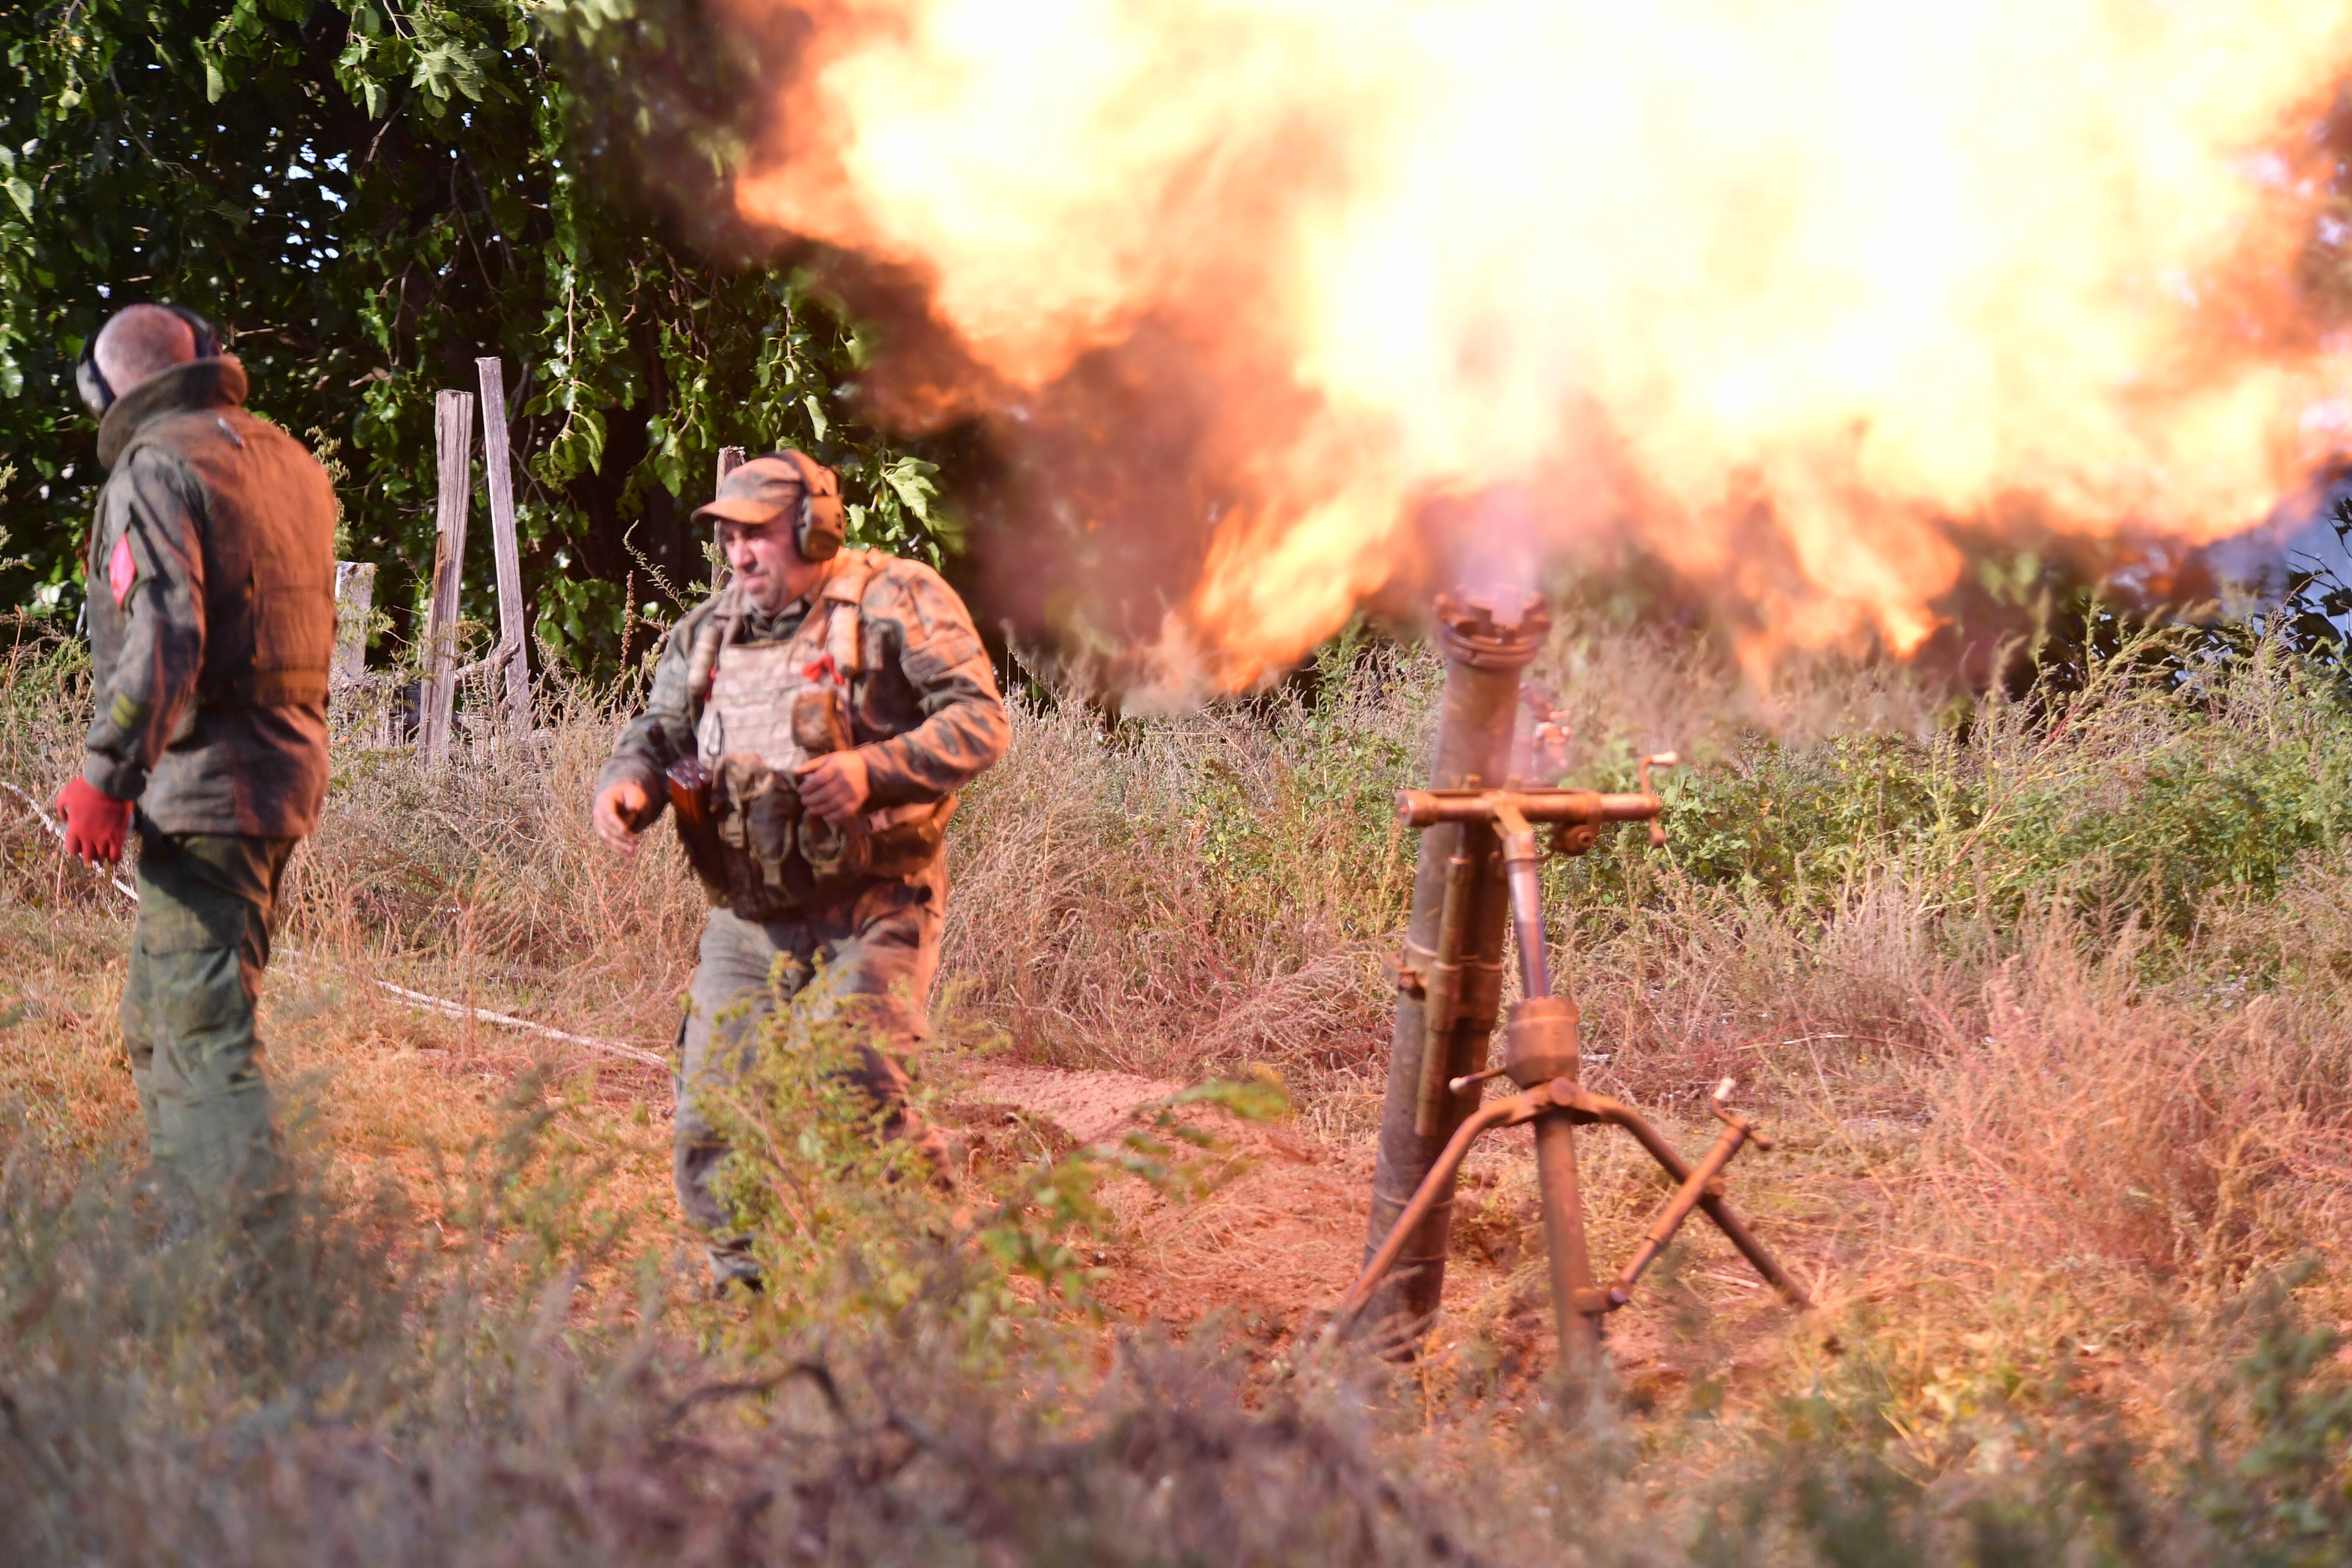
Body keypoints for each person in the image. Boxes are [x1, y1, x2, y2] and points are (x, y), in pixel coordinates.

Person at [592, 452, 1010, 1289]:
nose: (741, 556)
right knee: (714, 1105)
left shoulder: (897, 600)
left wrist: (872, 769)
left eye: (758, 535)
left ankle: (941, 1289)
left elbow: (980, 723)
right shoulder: (711, 628)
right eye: (730, 538)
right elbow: (659, 728)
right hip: (749, 916)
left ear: (815, 527)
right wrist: (627, 782)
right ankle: (745, 1285)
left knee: (857, 1080)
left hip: (876, 906)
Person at [53, 303, 338, 1216]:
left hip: (213, 778)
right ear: (208, 355)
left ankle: (252, 1271)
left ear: (107, 391)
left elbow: (168, 634)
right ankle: (195, 1222)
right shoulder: (282, 456)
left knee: (205, 1028)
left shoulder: (157, 465)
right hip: (282, 766)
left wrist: (107, 777)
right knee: (159, 1014)